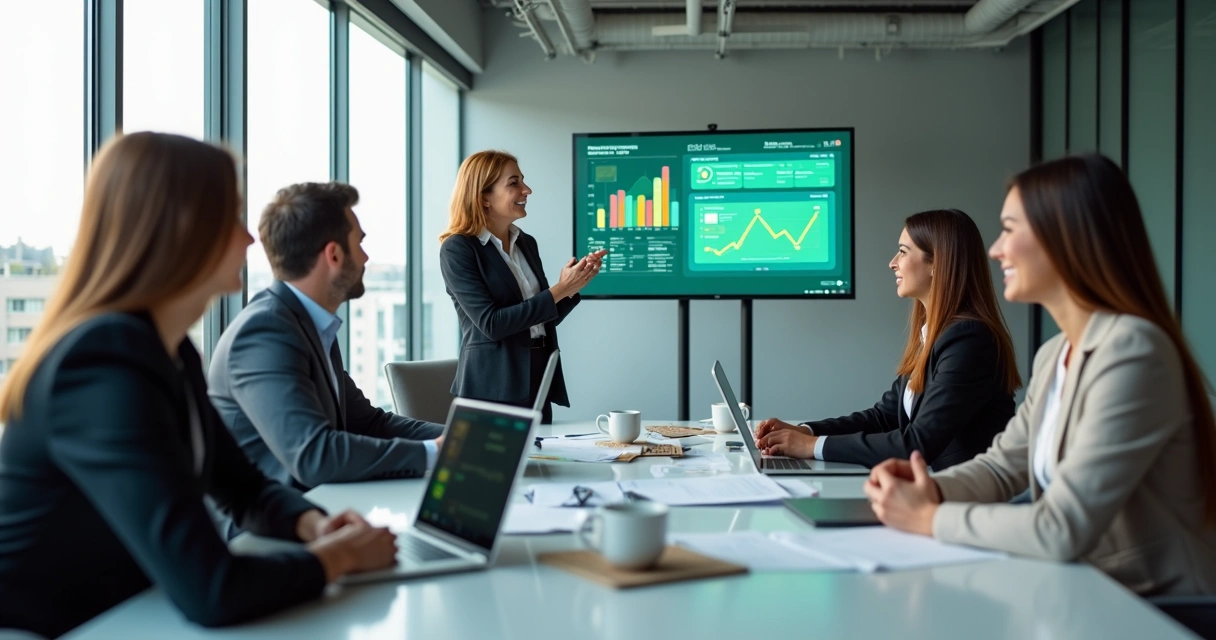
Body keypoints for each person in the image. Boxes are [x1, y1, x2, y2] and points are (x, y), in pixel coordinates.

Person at [0, 133, 398, 638]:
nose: (249, 241)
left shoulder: (165, 347)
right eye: (231, 220)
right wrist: (337, 559)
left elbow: (242, 485)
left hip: (128, 614)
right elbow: (212, 588)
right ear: (182, 231)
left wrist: (313, 526)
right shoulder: (101, 361)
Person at [865, 154, 1216, 596]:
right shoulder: (1056, 355)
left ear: (1064, 239)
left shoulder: (1133, 352)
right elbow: (1001, 468)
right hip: (1084, 591)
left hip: (1158, 609)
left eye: (1010, 230)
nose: (995, 250)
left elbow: (1060, 527)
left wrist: (929, 517)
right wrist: (927, 490)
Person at [208, 182, 444, 511]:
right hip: (267, 536)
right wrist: (436, 451)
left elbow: (370, 423)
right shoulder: (265, 332)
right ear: (333, 254)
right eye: (359, 243)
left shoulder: (309, 324)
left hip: (321, 513)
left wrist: (461, 438)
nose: (365, 257)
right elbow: (315, 455)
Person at [755, 209, 1021, 470]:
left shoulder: (969, 341)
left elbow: (917, 444)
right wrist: (805, 431)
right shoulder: (936, 334)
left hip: (966, 501)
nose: (892, 262)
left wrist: (810, 446)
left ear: (937, 264)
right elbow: (884, 417)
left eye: (903, 252)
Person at [439, 150, 606, 424]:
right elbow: (492, 324)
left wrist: (574, 285)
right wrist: (558, 290)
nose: (526, 190)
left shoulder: (526, 243)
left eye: (523, 181)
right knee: (505, 467)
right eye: (513, 182)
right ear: (484, 196)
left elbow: (539, 319)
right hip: (493, 387)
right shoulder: (458, 249)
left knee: (543, 465)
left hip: (538, 377)